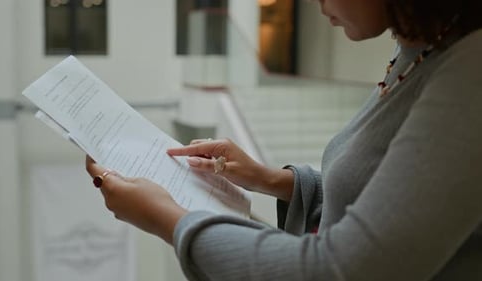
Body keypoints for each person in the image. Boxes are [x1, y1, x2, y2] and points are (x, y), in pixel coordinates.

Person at [85, 0, 482, 279]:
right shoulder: (418, 49)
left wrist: (167, 219)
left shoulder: (469, 72)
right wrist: (270, 180)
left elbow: (341, 270)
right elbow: (393, 204)